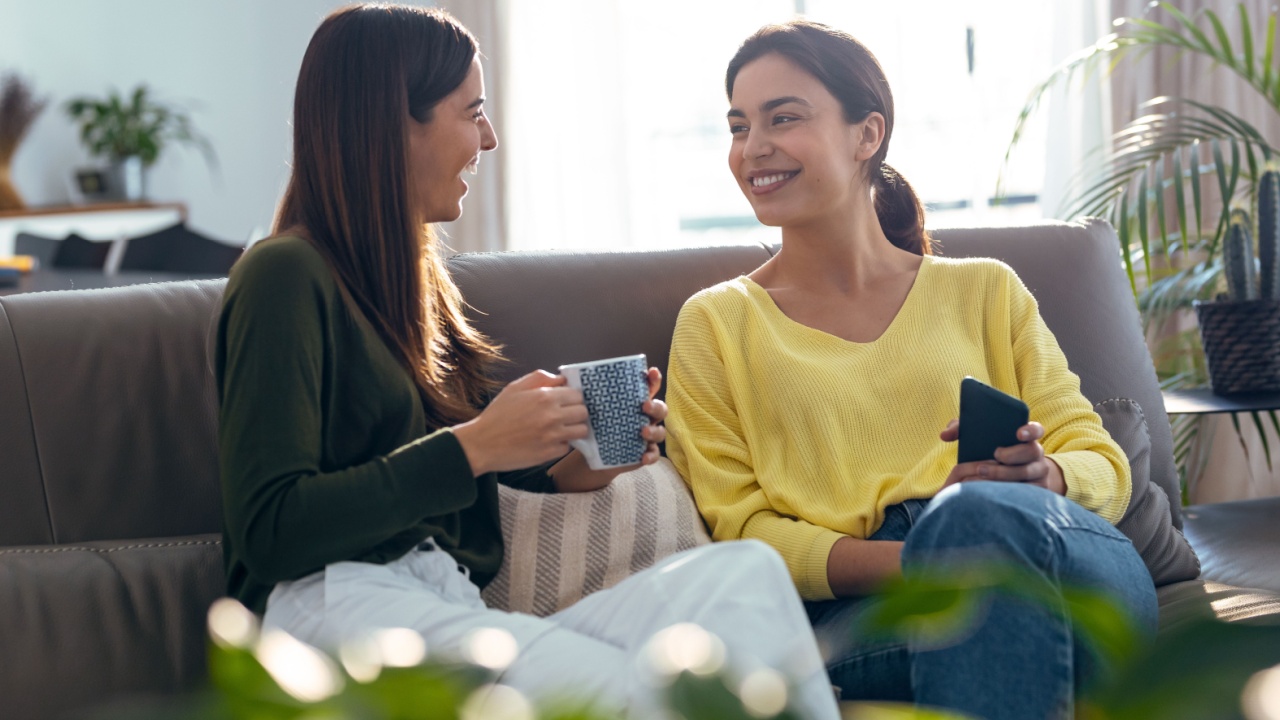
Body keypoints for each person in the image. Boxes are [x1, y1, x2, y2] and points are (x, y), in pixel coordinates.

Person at [214, 5, 839, 718]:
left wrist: (570, 468)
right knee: (646, 690)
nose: (488, 137)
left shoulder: (414, 288)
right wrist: (476, 444)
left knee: (744, 579)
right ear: (392, 123)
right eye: (470, 111)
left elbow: (444, 476)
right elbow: (270, 531)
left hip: (440, 600)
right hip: (329, 611)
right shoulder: (284, 274)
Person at [665, 19, 1158, 720]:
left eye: (784, 118)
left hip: (1057, 549)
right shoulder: (717, 323)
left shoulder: (987, 289)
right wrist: (930, 559)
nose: (754, 148)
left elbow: (1103, 465)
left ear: (867, 134)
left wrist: (1045, 476)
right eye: (740, 126)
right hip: (877, 600)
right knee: (982, 567)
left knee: (983, 516)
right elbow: (740, 528)